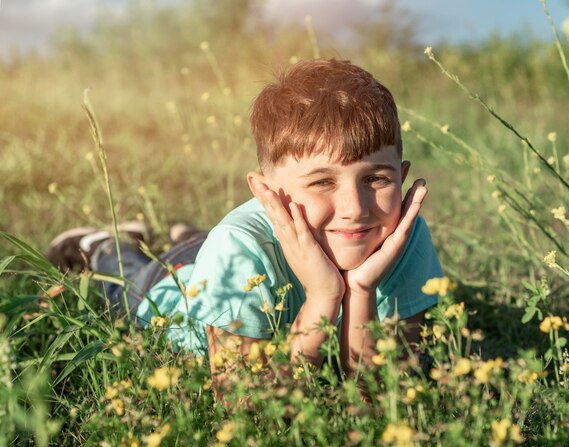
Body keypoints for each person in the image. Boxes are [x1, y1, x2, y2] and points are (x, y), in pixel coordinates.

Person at [47, 59, 443, 393]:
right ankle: (102, 243)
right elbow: (248, 409)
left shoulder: (403, 236)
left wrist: (360, 289)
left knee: (209, 243)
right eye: (323, 182)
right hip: (175, 284)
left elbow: (380, 397)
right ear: (266, 193)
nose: (355, 209)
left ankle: (188, 235)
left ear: (402, 177)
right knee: (126, 283)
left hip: (227, 250)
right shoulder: (238, 246)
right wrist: (323, 296)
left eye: (376, 179)